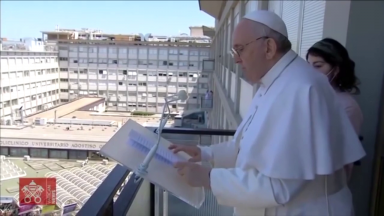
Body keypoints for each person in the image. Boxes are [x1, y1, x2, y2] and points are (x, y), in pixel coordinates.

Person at [169, 10, 365, 216]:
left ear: (269, 47)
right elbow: (249, 147)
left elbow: (279, 186)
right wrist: (205, 153)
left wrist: (208, 178)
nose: (236, 60)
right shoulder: (273, 83)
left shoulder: (300, 88)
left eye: (240, 49)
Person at [307, 38, 363, 180]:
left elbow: (338, 157)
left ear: (336, 69)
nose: (310, 71)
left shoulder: (347, 107)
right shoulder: (311, 98)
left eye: (318, 66)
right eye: (308, 65)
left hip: (325, 187)